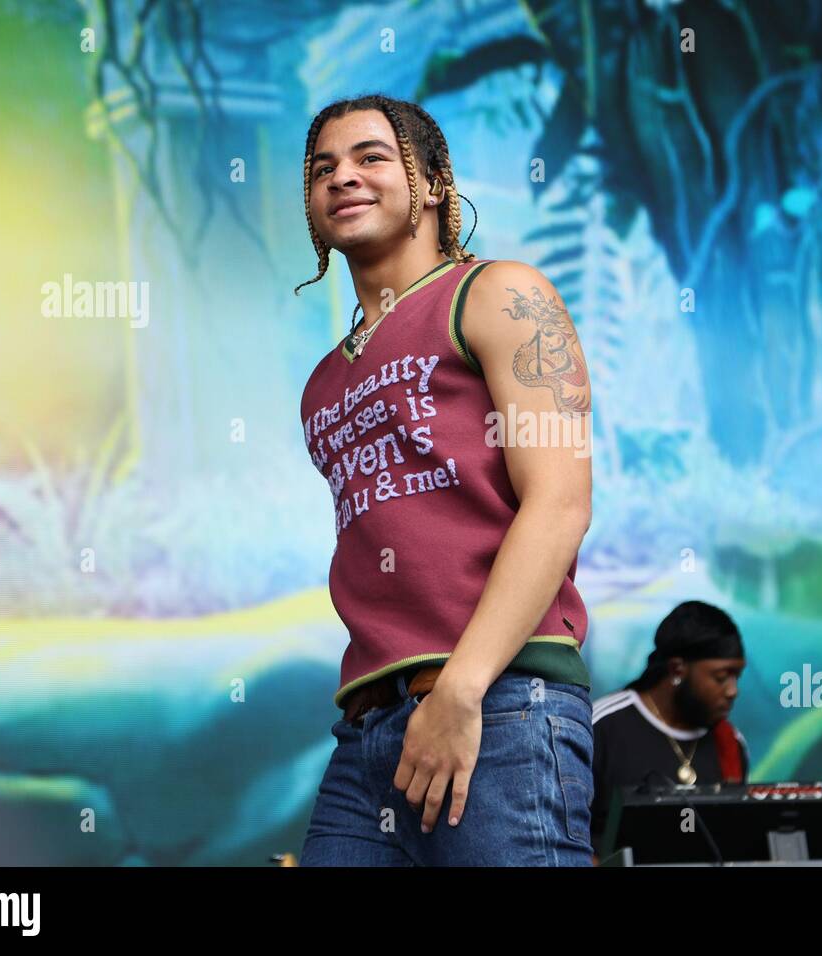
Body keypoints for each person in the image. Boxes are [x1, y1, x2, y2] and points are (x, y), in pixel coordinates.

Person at [295, 94, 596, 866]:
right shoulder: (325, 381)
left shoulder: (499, 294)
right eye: (322, 167)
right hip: (366, 733)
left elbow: (559, 506)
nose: (342, 177)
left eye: (370, 157)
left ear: (432, 183)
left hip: (498, 708)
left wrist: (460, 692)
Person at [590, 601, 750, 859]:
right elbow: (562, 835)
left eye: (737, 677)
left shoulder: (731, 743)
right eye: (721, 677)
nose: (733, 690)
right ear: (677, 670)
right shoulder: (602, 726)